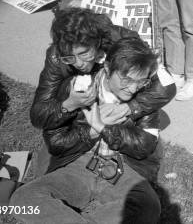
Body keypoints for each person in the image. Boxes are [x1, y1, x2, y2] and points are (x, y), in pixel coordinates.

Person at [11, 37, 172, 223]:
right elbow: (56, 142)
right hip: (79, 163)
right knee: (23, 199)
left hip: (123, 168)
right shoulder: (77, 90)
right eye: (127, 79)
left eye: (141, 81)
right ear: (108, 68)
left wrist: (104, 128)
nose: (133, 88)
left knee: (148, 207)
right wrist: (92, 130)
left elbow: (144, 145)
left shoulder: (145, 98)